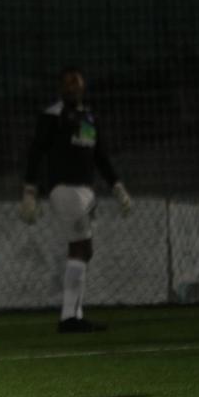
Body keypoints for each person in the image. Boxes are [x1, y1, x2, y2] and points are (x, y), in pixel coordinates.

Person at [19, 68, 131, 333]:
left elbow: (99, 155)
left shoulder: (88, 117)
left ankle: (75, 314)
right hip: (65, 189)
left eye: (76, 84)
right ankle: (69, 318)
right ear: (61, 88)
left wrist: (117, 187)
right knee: (82, 247)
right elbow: (36, 152)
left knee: (82, 249)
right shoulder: (52, 116)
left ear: (82, 88)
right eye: (68, 83)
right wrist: (29, 191)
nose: (72, 88)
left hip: (85, 191)